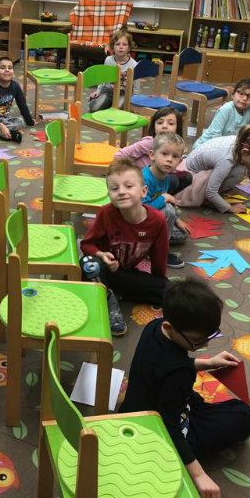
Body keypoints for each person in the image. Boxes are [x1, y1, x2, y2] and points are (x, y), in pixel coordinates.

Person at [120, 277, 250, 498]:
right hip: (157, 432)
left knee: (231, 409)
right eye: (197, 340)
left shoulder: (154, 326)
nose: (205, 344)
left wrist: (207, 363)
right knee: (246, 416)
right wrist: (199, 475)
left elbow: (167, 365)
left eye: (209, 337)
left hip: (140, 405)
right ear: (170, 326)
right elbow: (170, 425)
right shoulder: (179, 374)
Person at [79, 158, 169, 336]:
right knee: (88, 264)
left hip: (126, 273)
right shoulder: (106, 213)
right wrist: (101, 255)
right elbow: (87, 244)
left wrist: (157, 283)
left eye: (128, 186)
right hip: (104, 270)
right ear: (109, 194)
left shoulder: (157, 220)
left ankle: (113, 291)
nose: (121, 192)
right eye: (115, 188)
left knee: (171, 291)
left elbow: (160, 256)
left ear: (143, 191)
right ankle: (108, 301)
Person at [175, 125, 250, 216]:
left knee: (243, 166)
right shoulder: (226, 160)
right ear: (245, 151)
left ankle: (212, 196)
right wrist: (230, 208)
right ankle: (206, 200)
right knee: (239, 171)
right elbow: (210, 192)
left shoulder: (240, 142)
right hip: (188, 181)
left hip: (196, 170)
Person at [142, 132, 192, 268]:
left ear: (179, 162)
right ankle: (160, 252)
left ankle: (151, 244)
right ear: (152, 155)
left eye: (175, 156)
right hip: (138, 225)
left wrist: (176, 220)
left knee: (182, 235)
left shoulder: (166, 177)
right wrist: (164, 198)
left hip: (152, 222)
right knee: (169, 209)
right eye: (164, 154)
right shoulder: (145, 179)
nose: (169, 159)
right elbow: (141, 210)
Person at [192, 78, 250, 149]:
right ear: (233, 94)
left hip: (230, 146)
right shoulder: (227, 109)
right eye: (241, 93)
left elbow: (247, 133)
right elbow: (215, 135)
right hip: (208, 145)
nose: (244, 98)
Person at [88, 28, 141, 113]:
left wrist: (134, 99)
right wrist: (98, 91)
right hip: (108, 91)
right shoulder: (108, 60)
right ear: (113, 47)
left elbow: (136, 85)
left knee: (119, 111)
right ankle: (102, 101)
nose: (121, 47)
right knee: (94, 109)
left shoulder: (134, 65)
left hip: (123, 93)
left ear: (129, 48)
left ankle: (110, 104)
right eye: (117, 44)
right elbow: (103, 78)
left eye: (124, 44)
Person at [115, 106, 183, 169]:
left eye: (171, 123)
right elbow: (120, 155)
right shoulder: (149, 143)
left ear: (178, 128)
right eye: (160, 123)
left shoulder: (178, 145)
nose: (164, 126)